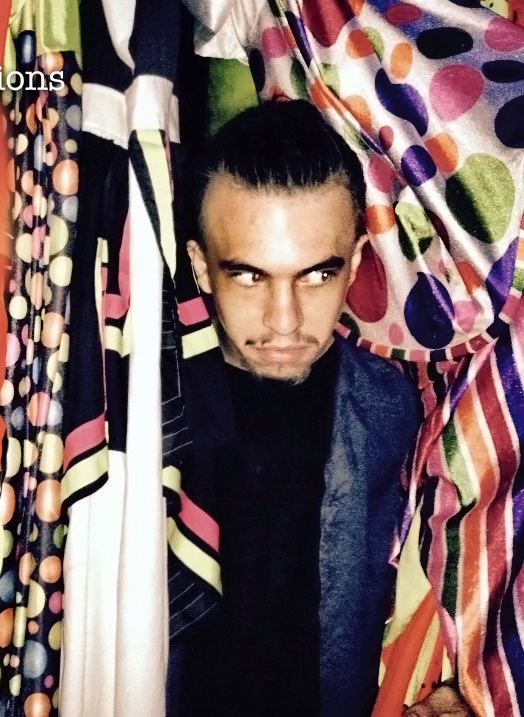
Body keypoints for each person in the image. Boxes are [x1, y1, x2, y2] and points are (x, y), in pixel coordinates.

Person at [165, 100, 471, 716]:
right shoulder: (143, 410)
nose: (285, 321)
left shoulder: (397, 411)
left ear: (354, 263)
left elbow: (447, 585)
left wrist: (446, 689)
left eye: (316, 275)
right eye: (249, 276)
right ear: (200, 266)